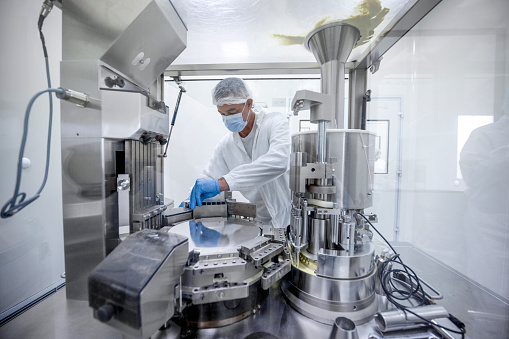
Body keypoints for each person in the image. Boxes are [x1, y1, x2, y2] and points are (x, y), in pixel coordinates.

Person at [186, 77, 291, 228]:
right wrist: (188, 200)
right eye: (222, 114)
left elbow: (279, 161)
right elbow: (209, 178)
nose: (227, 118)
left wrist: (223, 183)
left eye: (232, 111)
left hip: (289, 219)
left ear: (249, 103)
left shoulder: (275, 123)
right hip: (260, 222)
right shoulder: (225, 145)